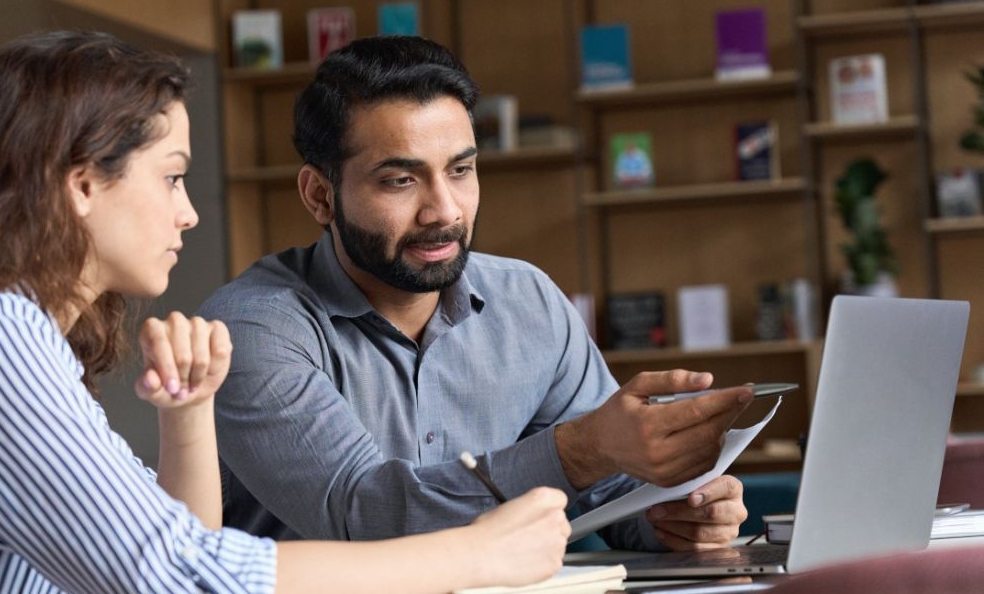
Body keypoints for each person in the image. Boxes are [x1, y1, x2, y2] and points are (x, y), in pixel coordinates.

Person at [0, 31, 574, 593]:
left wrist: (186, 417)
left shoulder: (2, 337)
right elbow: (175, 576)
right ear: (85, 182)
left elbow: (175, 549)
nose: (187, 214)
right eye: (173, 175)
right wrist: (472, 556)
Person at [201, 35, 753, 551]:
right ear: (321, 196)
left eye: (460, 169)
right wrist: (581, 449)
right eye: (400, 180)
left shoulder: (529, 302)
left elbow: (609, 495)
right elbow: (363, 516)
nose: (445, 210)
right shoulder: (252, 328)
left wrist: (680, 513)